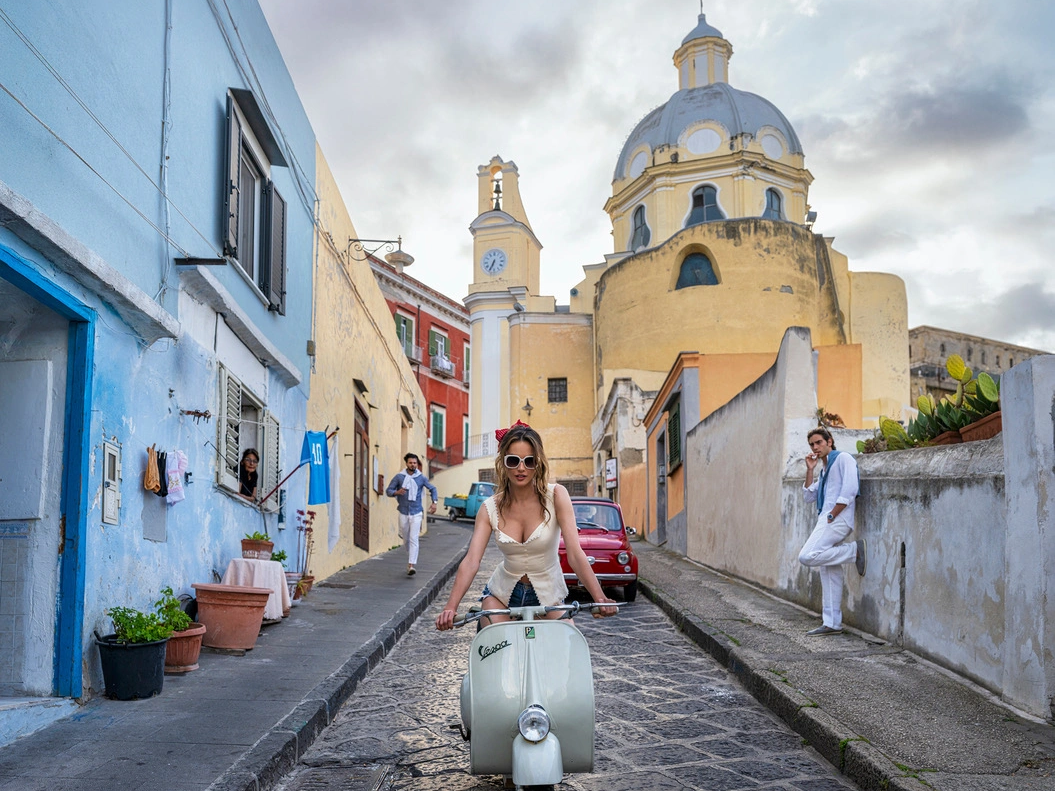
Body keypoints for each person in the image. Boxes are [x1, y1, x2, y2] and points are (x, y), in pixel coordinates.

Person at [435, 420, 617, 631]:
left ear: (537, 463)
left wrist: (600, 598)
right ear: (503, 462)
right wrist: (450, 607)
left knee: (566, 642)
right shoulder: (489, 508)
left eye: (529, 461)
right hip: (502, 596)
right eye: (513, 460)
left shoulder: (556, 496)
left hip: (548, 596)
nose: (521, 468)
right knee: (495, 642)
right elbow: (471, 561)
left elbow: (575, 554)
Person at [799, 426, 865, 636]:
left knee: (807, 556)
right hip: (827, 519)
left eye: (818, 442)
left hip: (836, 519)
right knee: (829, 571)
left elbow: (850, 489)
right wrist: (810, 469)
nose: (815, 447)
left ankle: (854, 551)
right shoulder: (824, 471)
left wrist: (832, 515)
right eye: (812, 444)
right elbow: (809, 496)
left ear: (829, 441)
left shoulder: (843, 458)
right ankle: (832, 622)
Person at [385, 452, 438, 576]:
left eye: (415, 463)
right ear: (406, 463)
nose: (413, 465)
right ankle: (410, 555)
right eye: (411, 463)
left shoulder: (421, 478)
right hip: (403, 511)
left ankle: (411, 565)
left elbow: (433, 488)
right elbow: (388, 490)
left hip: (416, 511)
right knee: (406, 537)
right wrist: (397, 492)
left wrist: (434, 502)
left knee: (414, 538)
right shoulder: (399, 477)